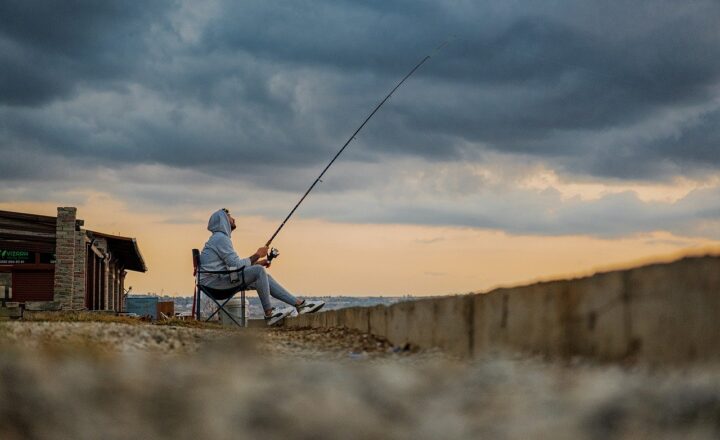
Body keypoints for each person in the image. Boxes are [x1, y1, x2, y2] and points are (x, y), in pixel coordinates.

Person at [199, 208, 324, 325]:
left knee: (264, 276)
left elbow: (233, 266)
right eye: (230, 217)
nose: (233, 219)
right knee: (259, 272)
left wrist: (258, 262)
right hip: (215, 285)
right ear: (223, 221)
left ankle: (299, 305)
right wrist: (258, 254)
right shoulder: (221, 239)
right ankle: (269, 314)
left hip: (217, 281)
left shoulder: (218, 239)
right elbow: (236, 265)